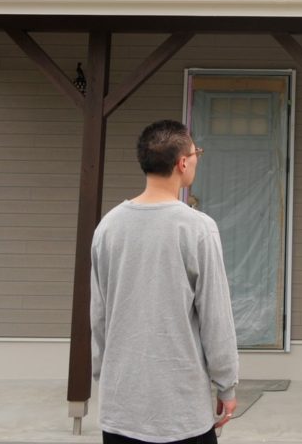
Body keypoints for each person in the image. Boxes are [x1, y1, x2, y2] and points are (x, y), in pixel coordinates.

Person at [91, 119, 239, 444]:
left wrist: (104, 374)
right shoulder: (198, 228)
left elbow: (98, 315)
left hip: (121, 406)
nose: (197, 159)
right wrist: (226, 384)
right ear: (182, 163)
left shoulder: (108, 227)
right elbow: (216, 317)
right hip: (182, 410)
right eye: (196, 153)